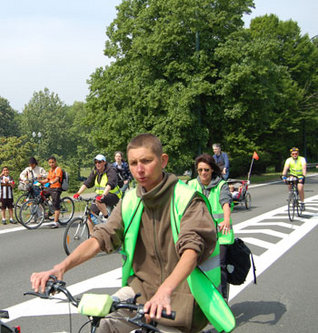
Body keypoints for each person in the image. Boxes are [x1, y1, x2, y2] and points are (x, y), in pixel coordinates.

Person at [31, 134, 221, 333]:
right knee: (104, 325)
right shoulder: (130, 200)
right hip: (140, 291)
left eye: (147, 161)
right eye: (133, 163)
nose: (139, 169)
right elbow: (101, 237)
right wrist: (61, 267)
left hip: (181, 295)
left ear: (163, 160)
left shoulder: (187, 199)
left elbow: (191, 249)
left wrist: (165, 291)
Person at [188, 153, 234, 301]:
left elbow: (225, 202)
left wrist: (226, 219)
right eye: (200, 170)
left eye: (206, 170)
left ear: (212, 170)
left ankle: (223, 300)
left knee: (219, 269)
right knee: (193, 267)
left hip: (220, 234)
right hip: (199, 233)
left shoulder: (221, 185)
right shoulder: (191, 185)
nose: (203, 173)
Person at [73, 154, 121, 224]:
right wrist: (78, 193)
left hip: (113, 195)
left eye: (99, 162)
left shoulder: (110, 170)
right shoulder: (95, 171)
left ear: (104, 162)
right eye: (95, 162)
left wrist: (103, 195)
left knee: (99, 201)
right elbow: (87, 182)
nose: (97, 164)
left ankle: (106, 218)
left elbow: (110, 183)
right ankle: (93, 234)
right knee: (89, 216)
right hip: (100, 196)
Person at [39, 156, 63, 228]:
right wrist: (39, 182)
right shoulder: (50, 170)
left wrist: (51, 182)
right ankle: (48, 211)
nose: (51, 164)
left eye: (53, 162)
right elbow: (47, 180)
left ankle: (56, 222)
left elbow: (57, 178)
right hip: (50, 187)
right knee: (41, 197)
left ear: (55, 162)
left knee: (56, 204)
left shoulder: (58, 169)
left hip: (56, 188)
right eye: (50, 162)